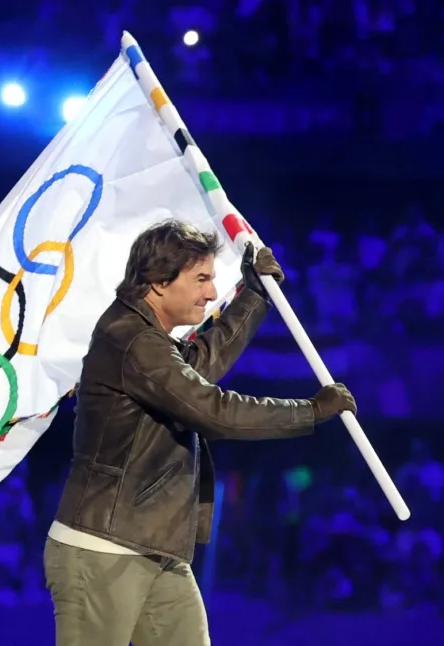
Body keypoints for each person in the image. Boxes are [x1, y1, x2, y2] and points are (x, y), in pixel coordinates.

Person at [44, 219, 357, 646]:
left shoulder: (146, 338)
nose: (211, 293)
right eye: (202, 279)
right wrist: (309, 411)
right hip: (102, 549)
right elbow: (213, 411)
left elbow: (199, 366)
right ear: (157, 283)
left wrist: (255, 295)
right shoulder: (131, 340)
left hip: (155, 549)